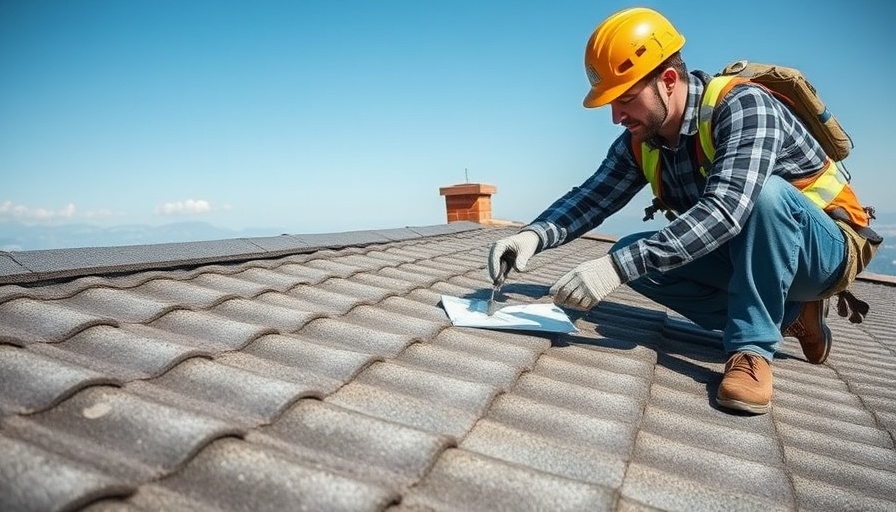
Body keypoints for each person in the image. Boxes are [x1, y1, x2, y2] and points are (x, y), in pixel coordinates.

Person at [487, 7, 879, 414]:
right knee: (638, 252)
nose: (616, 116)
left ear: (668, 81)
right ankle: (794, 316)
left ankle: (751, 351)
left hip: (826, 252)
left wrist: (617, 267)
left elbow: (727, 210)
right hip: (753, 253)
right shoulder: (643, 139)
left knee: (764, 196)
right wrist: (533, 235)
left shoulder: (745, 105)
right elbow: (592, 196)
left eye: (624, 98)